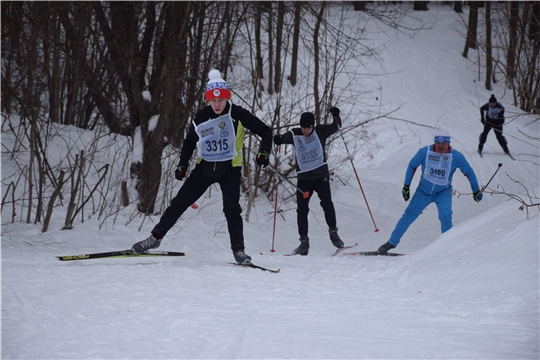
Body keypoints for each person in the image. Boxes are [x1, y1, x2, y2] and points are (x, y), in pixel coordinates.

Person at [131, 70, 273, 265]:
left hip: (230, 169)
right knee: (179, 203)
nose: (217, 105)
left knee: (231, 209)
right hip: (204, 168)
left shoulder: (238, 114)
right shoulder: (201, 116)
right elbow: (189, 142)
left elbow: (266, 131)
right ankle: (155, 238)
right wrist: (182, 164)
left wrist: (264, 152)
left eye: (221, 100)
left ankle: (239, 251)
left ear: (227, 98)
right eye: (213, 101)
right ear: (208, 100)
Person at [378, 130, 483, 255]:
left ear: (448, 144)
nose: (440, 146)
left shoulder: (456, 156)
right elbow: (412, 165)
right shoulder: (425, 152)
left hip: (443, 192)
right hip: (423, 191)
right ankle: (391, 242)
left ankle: (448, 246)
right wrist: (406, 186)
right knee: (408, 215)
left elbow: (468, 172)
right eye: (438, 143)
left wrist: (475, 190)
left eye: (443, 144)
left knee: (445, 215)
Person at [273, 107, 344, 255]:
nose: (305, 130)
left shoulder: (320, 131)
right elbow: (282, 138)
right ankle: (304, 243)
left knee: (327, 203)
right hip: (304, 179)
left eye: (308, 127)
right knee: (302, 210)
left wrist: (336, 116)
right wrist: (277, 139)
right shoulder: (295, 134)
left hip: (320, 176)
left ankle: (333, 233)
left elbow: (336, 126)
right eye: (303, 127)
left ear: (313, 126)